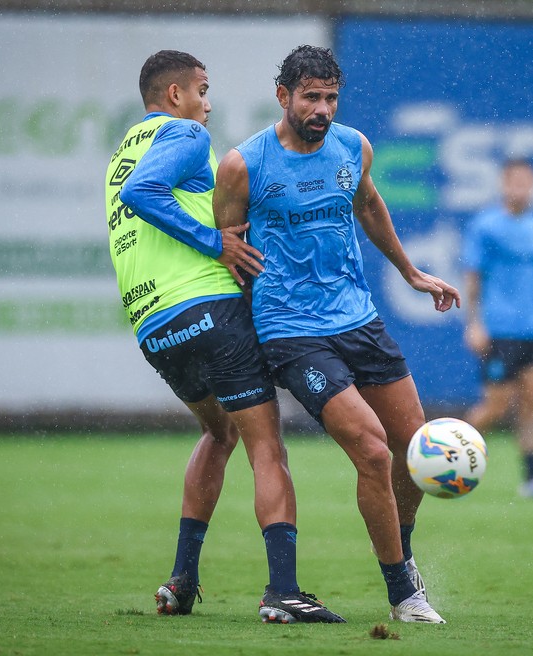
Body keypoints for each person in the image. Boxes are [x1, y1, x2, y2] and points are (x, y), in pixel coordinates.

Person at [214, 45, 460, 624]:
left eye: (330, 98)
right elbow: (228, 247)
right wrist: (250, 325)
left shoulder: (354, 146)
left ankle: (401, 552)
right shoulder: (243, 165)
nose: (322, 110)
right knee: (373, 452)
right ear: (283, 97)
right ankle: (404, 592)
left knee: (416, 449)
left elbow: (369, 204)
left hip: (358, 318)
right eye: (311, 98)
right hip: (291, 331)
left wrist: (411, 272)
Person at [105, 49, 345, 624]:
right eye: (202, 90)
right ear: (174, 96)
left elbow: (131, 196)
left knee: (219, 433)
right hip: (209, 310)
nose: (207, 104)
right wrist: (216, 244)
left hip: (155, 326)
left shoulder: (122, 153)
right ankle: (282, 592)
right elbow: (146, 195)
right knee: (268, 446)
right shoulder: (185, 136)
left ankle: (183, 580)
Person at [462, 158, 533, 500]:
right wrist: (474, 322)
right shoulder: (485, 226)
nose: (521, 187)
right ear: (503, 185)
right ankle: (444, 457)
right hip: (500, 329)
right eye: (515, 181)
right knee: (496, 407)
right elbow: (473, 277)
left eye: (527, 181)